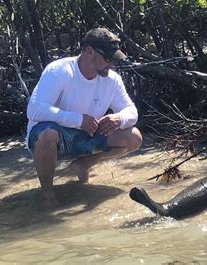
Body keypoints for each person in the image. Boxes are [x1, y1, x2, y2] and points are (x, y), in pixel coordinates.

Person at [26, 28, 142, 207]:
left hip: (88, 135)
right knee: (48, 133)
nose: (111, 65)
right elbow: (34, 110)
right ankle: (48, 195)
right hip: (54, 138)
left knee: (133, 137)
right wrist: (79, 120)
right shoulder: (59, 71)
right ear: (89, 52)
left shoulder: (112, 80)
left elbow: (131, 111)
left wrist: (119, 118)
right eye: (108, 59)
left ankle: (83, 165)